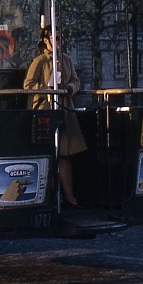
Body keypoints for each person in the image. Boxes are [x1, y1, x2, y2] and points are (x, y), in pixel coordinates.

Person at [23, 28, 87, 208]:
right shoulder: (40, 61)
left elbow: (76, 80)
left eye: (59, 38)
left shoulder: (66, 59)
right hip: (45, 110)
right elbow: (28, 84)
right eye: (55, 38)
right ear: (46, 40)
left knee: (64, 156)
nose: (58, 41)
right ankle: (50, 197)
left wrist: (69, 88)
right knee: (49, 156)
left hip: (64, 110)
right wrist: (47, 90)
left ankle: (69, 196)